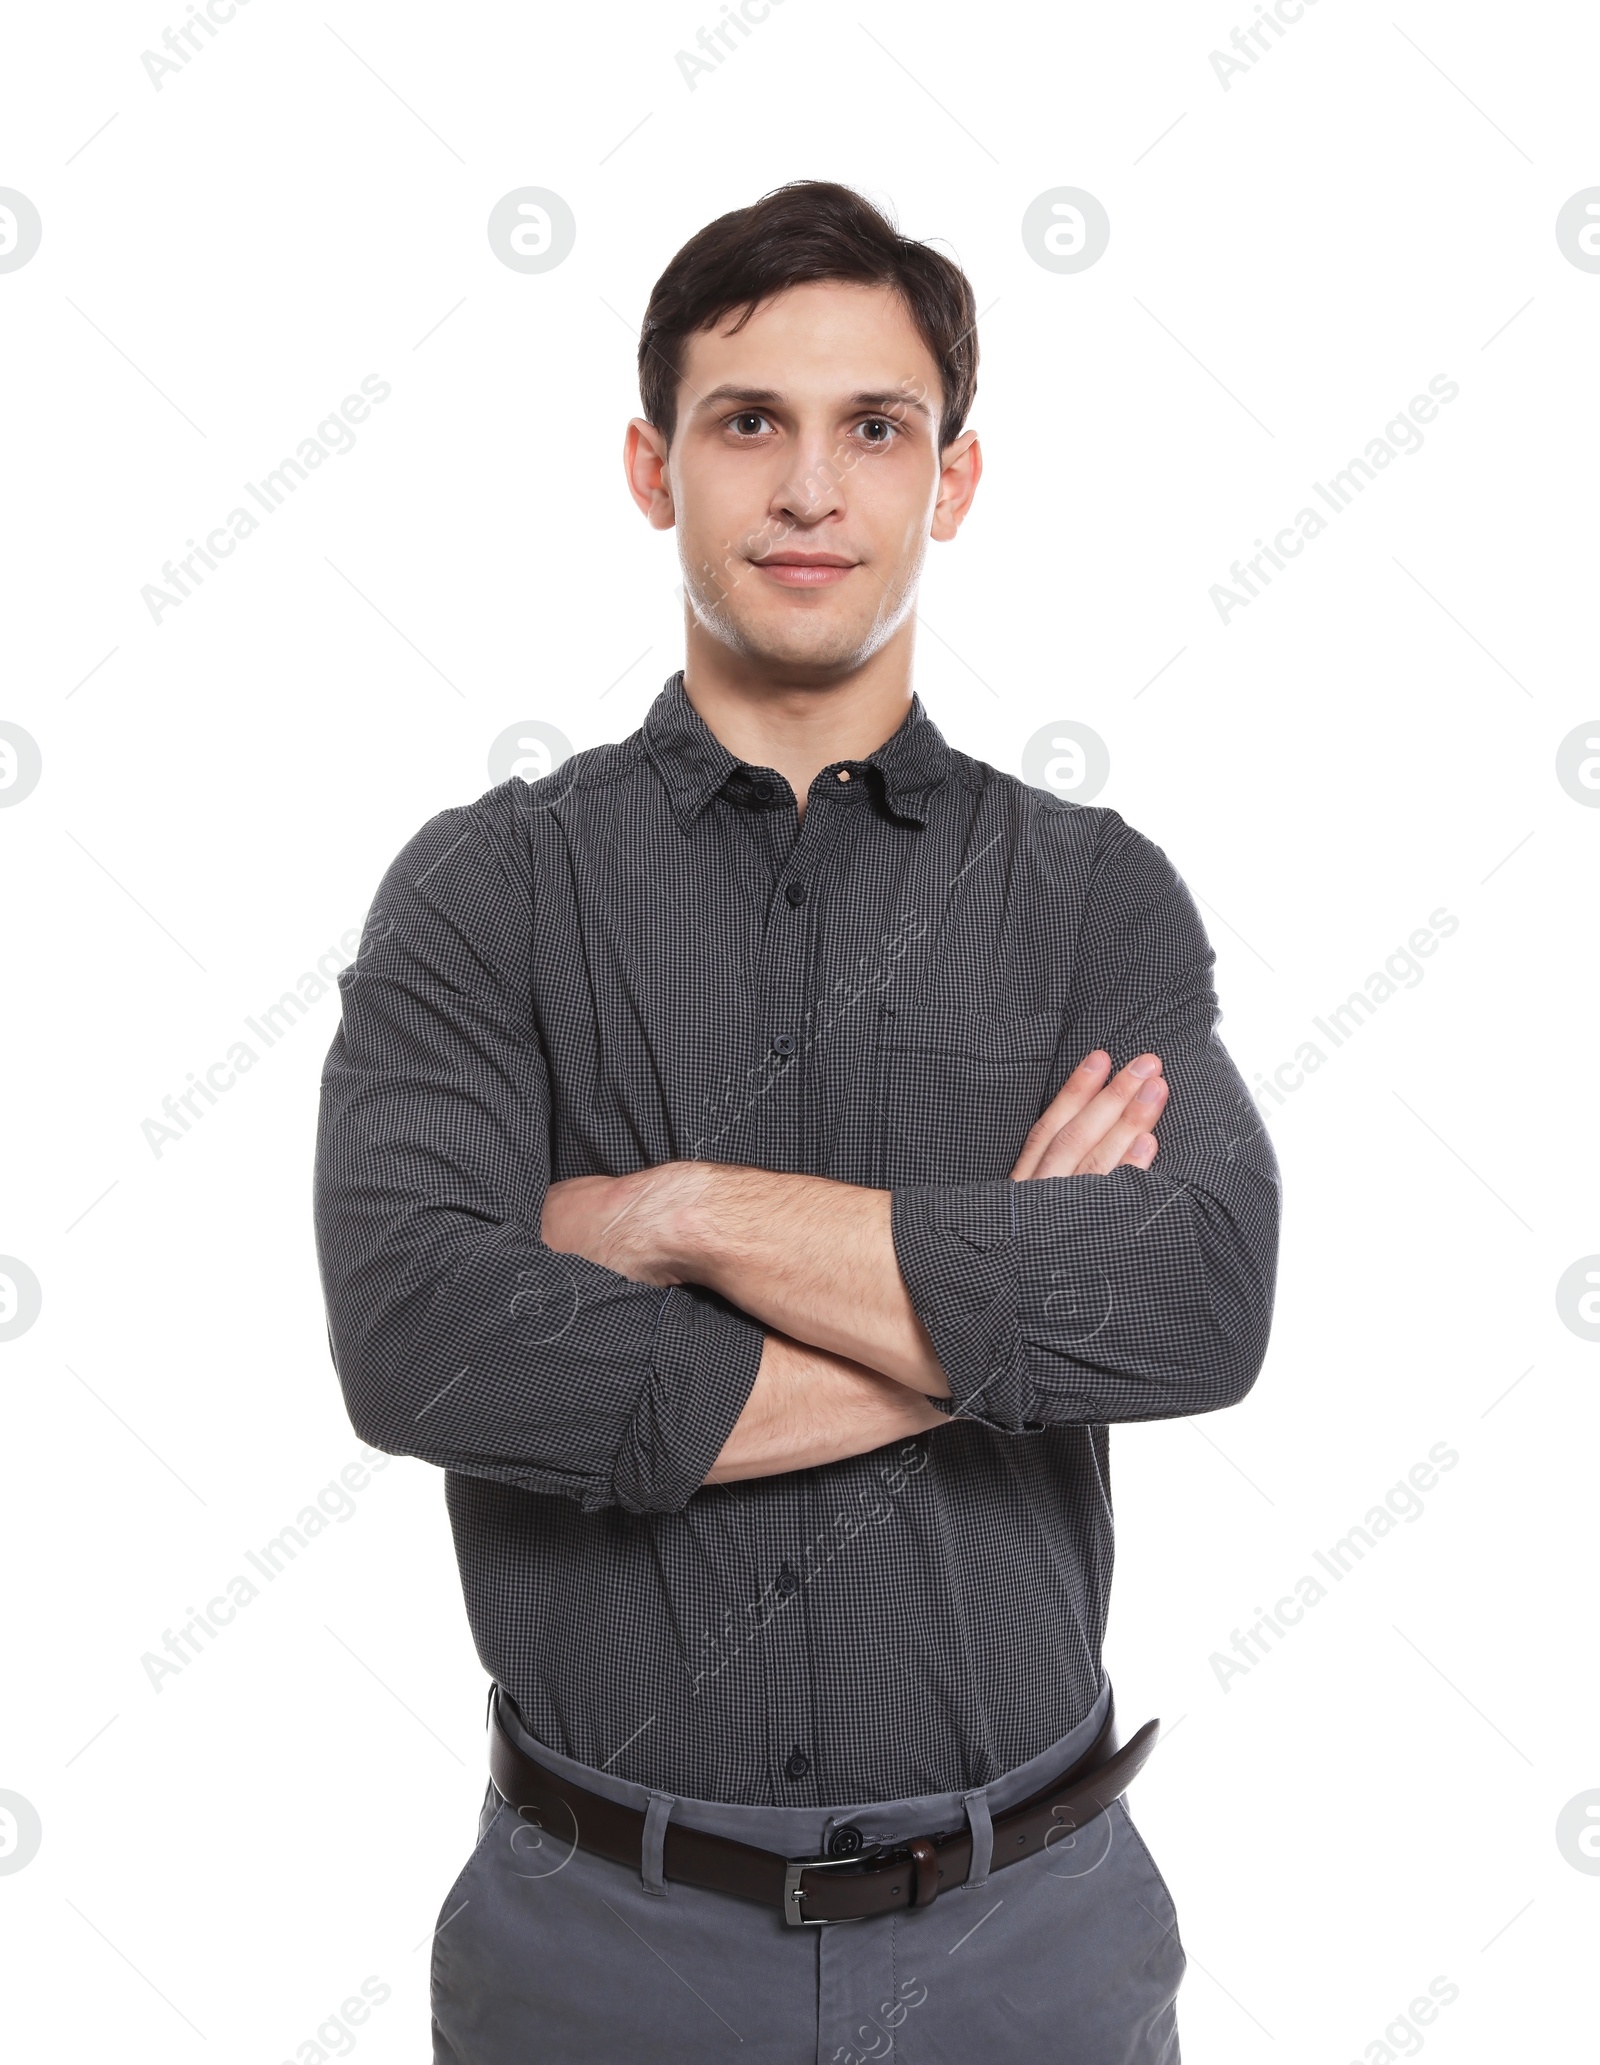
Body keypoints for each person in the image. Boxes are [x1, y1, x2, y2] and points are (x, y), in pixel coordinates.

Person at [313, 178, 1280, 2064]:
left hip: (1031, 1949)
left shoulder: (1091, 895)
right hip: (601, 1946)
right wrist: (1001, 1297)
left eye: (876, 428)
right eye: (749, 421)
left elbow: (1201, 1298)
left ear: (957, 479)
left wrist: (672, 1212)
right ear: (651, 467)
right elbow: (425, 1337)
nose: (812, 488)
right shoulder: (488, 892)